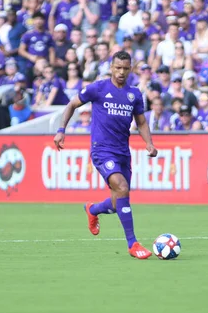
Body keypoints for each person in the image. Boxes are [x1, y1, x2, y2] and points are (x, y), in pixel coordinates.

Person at [53, 51, 158, 259]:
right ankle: (133, 244)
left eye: (125, 69)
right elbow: (72, 104)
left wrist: (149, 143)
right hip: (102, 150)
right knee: (123, 187)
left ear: (130, 69)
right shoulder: (98, 88)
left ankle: (93, 210)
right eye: (117, 68)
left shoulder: (134, 94)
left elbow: (142, 122)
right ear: (111, 67)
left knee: (117, 200)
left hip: (122, 153)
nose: (121, 72)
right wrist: (61, 130)